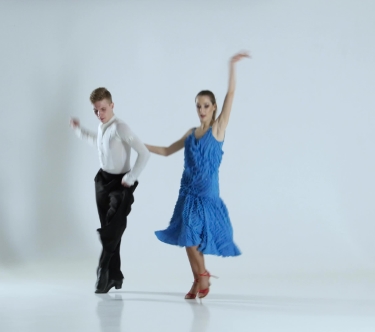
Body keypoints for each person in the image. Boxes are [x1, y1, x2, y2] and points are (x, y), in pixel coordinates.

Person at [145, 52, 250, 299]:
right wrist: (140, 145)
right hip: (188, 192)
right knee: (188, 238)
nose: (201, 110)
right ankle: (199, 279)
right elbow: (167, 150)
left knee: (195, 239)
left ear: (213, 108)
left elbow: (231, 95)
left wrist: (231, 66)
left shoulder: (218, 128)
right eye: (198, 106)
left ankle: (201, 278)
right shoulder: (191, 133)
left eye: (206, 105)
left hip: (207, 193)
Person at [69, 87, 150, 293]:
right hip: (102, 181)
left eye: (103, 109)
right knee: (110, 230)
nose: (99, 114)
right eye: (95, 111)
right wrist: (79, 130)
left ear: (112, 105)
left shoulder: (121, 127)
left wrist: (130, 178)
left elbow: (144, 153)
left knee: (112, 231)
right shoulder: (101, 127)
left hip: (120, 185)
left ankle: (103, 271)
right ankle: (116, 276)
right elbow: (97, 143)